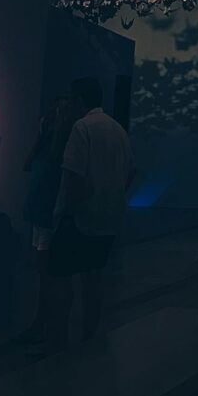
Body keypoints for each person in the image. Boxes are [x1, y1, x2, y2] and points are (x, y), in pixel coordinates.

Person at [46, 77, 135, 351]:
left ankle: (57, 341)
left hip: (80, 217)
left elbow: (73, 176)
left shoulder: (81, 128)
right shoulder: (118, 130)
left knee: (60, 277)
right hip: (109, 218)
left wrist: (67, 211)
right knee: (94, 278)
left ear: (79, 100)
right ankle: (89, 338)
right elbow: (130, 172)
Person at [16, 96, 75, 344]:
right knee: (44, 273)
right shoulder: (52, 149)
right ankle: (45, 325)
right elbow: (28, 164)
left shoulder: (59, 152)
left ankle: (48, 327)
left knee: (48, 274)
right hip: (42, 214)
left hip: (47, 215)